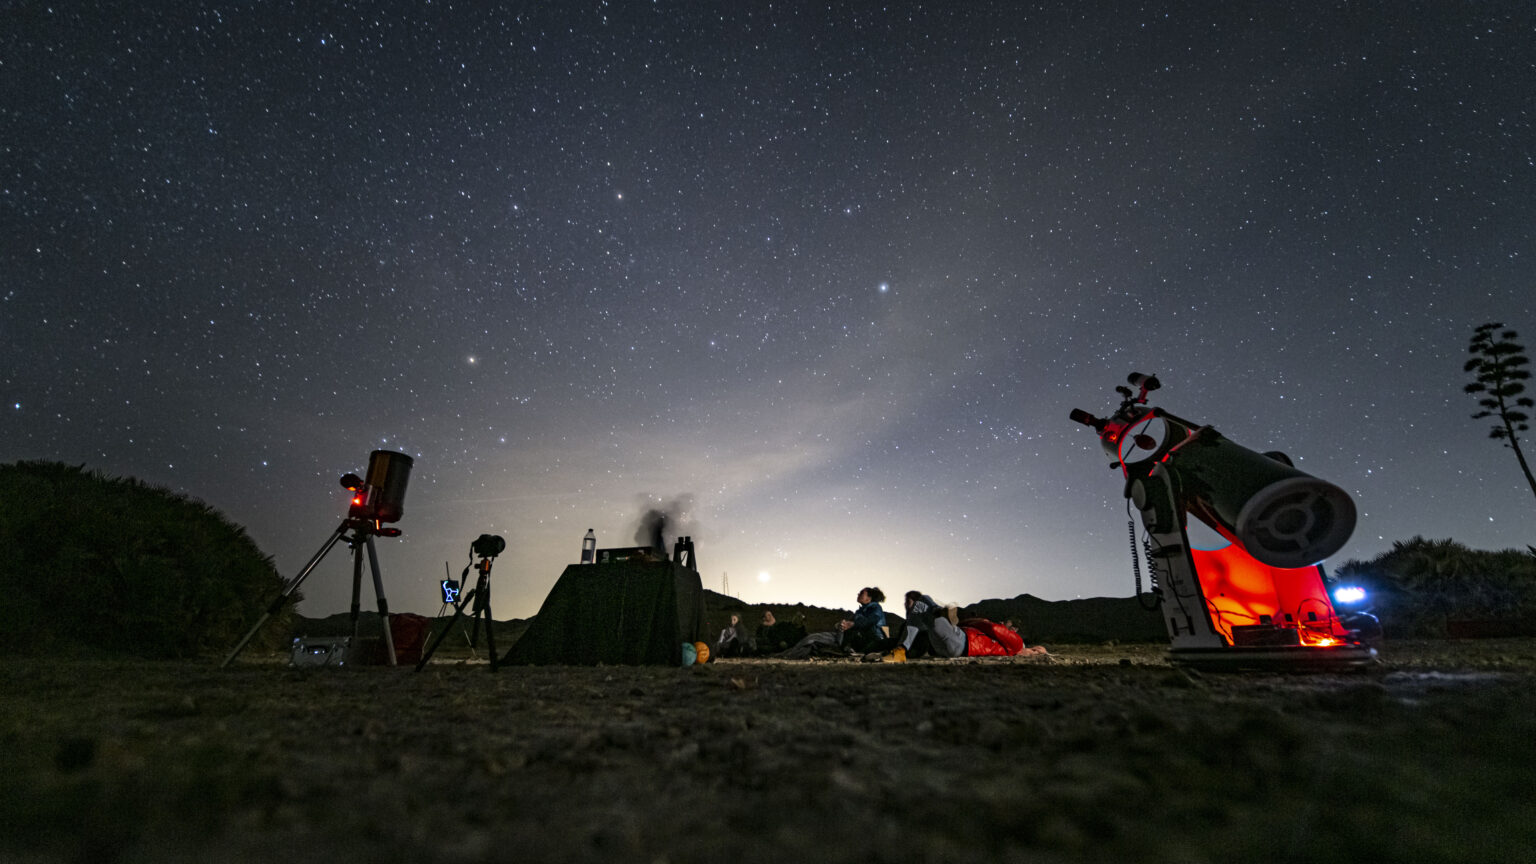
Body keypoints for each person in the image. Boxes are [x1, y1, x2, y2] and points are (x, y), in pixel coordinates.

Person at [835, 587, 887, 654]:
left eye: (862, 593)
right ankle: (842, 648)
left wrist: (853, 624)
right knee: (843, 628)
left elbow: (870, 621)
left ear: (869, 598)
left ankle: (843, 649)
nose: (858, 594)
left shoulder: (876, 608)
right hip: (862, 639)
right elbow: (850, 623)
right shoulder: (859, 612)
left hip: (875, 639)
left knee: (855, 628)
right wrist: (842, 624)